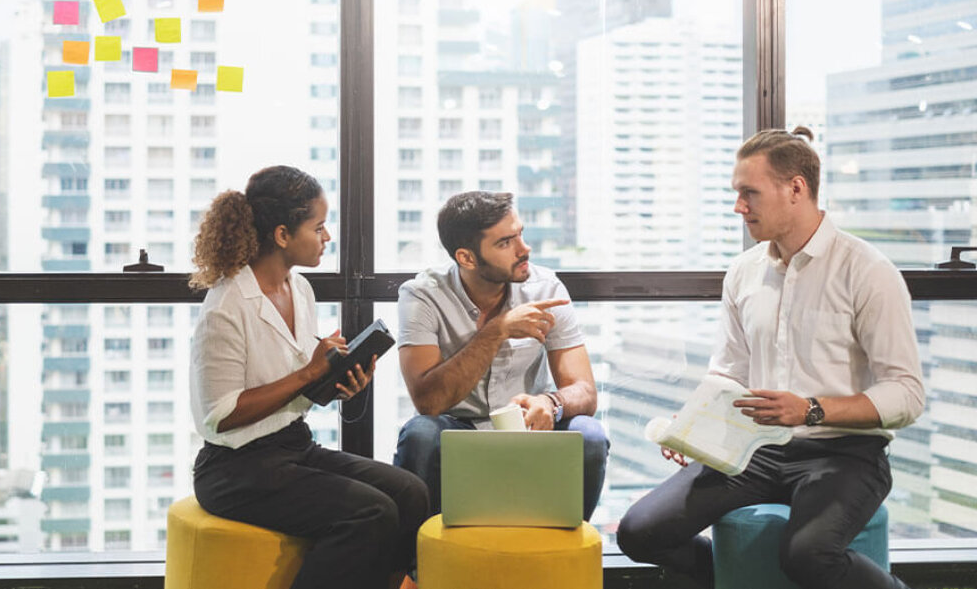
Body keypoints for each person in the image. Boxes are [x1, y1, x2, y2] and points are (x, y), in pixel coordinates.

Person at [616, 127, 925, 589]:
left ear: (795, 188)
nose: (738, 207)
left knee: (807, 556)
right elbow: (729, 372)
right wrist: (696, 425)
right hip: (753, 452)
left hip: (845, 454)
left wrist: (811, 409)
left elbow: (907, 395)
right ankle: (733, 578)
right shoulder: (744, 271)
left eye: (749, 193)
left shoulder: (868, 271)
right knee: (638, 533)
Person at [189, 165, 429, 589]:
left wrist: (335, 383)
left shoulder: (300, 289)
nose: (327, 237)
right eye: (318, 227)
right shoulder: (226, 305)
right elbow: (219, 417)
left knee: (409, 492)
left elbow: (295, 387)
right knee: (371, 511)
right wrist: (311, 372)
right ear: (282, 235)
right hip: (235, 469)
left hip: (293, 447)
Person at [393, 190, 610, 519]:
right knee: (420, 433)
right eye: (505, 243)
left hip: (530, 430)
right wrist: (497, 331)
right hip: (457, 432)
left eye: (520, 234)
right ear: (467, 258)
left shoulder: (546, 288)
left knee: (590, 435)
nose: (525, 249)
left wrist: (551, 403)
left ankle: (565, 545)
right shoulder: (422, 296)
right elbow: (429, 402)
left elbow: (585, 392)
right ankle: (410, 563)